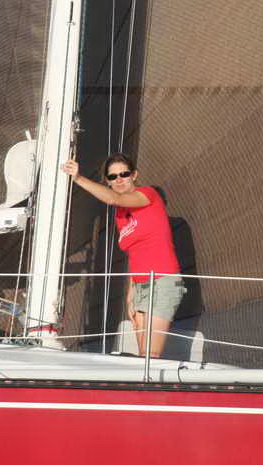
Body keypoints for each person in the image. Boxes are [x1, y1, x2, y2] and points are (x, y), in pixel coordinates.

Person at [62, 153, 185, 358]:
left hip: (162, 281)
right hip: (140, 287)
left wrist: (78, 178)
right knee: (143, 355)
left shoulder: (148, 194)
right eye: (112, 177)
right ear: (108, 181)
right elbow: (133, 254)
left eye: (124, 174)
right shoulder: (120, 215)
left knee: (150, 356)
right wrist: (130, 296)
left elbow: (114, 198)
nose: (119, 180)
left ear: (134, 175)